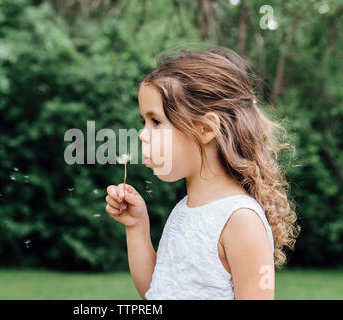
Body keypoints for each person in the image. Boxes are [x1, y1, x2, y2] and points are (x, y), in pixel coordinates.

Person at [104, 48, 300, 300]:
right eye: (144, 121)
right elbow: (158, 291)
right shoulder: (184, 211)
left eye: (155, 121)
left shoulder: (241, 220)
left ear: (206, 129)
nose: (142, 134)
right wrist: (137, 227)